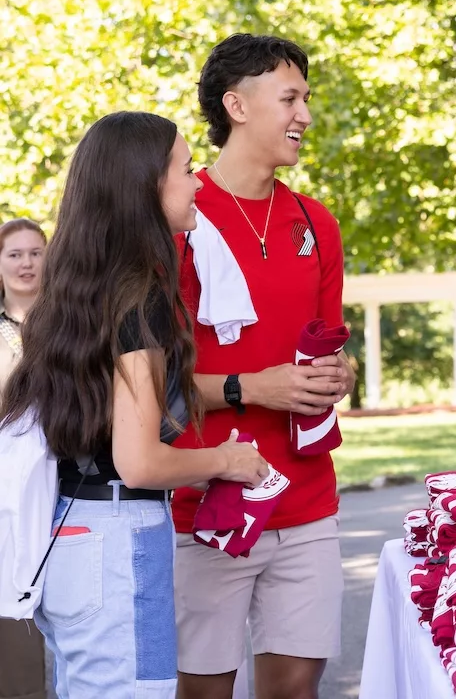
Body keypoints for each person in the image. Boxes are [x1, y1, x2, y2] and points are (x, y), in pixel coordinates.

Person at [0, 113, 267, 699]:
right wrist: (229, 461)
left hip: (75, 538)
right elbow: (140, 461)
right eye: (187, 169)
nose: (199, 182)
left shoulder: (78, 293)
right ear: (145, 185)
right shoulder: (136, 297)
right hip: (119, 540)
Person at [172, 34, 354, 699]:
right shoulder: (174, 217)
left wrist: (338, 375)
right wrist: (253, 387)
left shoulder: (318, 223)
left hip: (306, 501)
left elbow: (327, 346)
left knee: (295, 691)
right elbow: (144, 384)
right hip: (204, 502)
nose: (304, 113)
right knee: (203, 692)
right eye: (290, 97)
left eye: (306, 97)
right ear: (236, 106)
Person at [0, 218, 47, 699]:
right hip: (6, 483)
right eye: (14, 253)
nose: (26, 262)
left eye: (35, 252)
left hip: (65, 479)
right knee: (12, 610)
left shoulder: (69, 323)